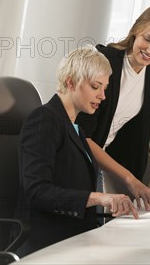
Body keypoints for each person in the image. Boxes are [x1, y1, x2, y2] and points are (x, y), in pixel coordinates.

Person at [18, 47, 138, 257]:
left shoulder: (75, 128)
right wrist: (99, 198)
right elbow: (37, 192)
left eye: (105, 88)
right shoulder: (44, 120)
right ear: (71, 82)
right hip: (52, 245)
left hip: (78, 238)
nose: (102, 96)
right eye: (95, 87)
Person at [77, 4, 150, 210]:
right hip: (79, 155)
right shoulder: (105, 60)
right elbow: (82, 134)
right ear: (135, 31)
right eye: (147, 39)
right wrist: (129, 179)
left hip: (112, 159)